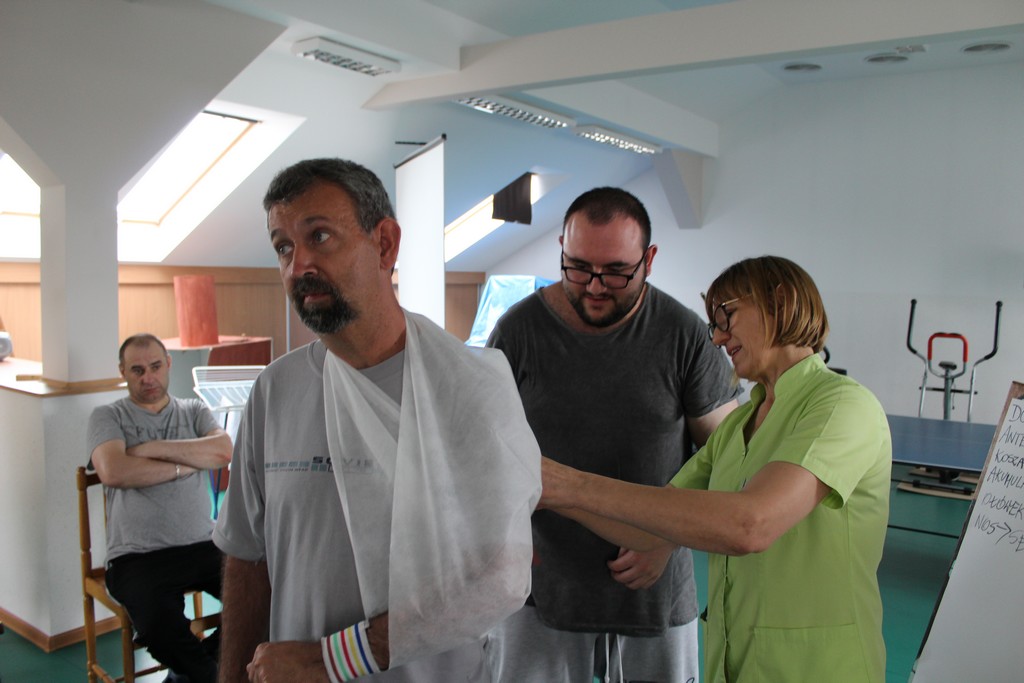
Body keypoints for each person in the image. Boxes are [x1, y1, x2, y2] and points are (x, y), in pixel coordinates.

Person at [212, 158, 541, 683]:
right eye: (283, 247)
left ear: (385, 244)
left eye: (320, 236)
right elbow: (248, 559)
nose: (298, 266)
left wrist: (331, 660)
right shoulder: (275, 391)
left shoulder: (471, 387)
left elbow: (498, 577)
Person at [540, 255, 892, 683]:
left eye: (726, 316)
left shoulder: (843, 406)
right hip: (734, 667)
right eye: (714, 325)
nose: (719, 338)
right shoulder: (738, 426)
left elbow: (750, 525)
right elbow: (647, 530)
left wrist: (569, 484)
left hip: (819, 670)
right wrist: (547, 489)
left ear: (779, 301)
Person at [485, 187, 739, 683]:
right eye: (578, 267)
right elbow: (487, 456)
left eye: (617, 271)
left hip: (655, 594)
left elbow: (727, 460)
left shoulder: (684, 335)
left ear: (650, 259)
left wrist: (666, 537)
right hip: (538, 593)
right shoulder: (518, 332)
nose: (596, 287)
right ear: (561, 248)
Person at [88, 333, 232, 683]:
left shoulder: (193, 410)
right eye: (137, 370)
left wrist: (152, 448)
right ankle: (207, 675)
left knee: (268, 594)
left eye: (155, 366)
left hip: (205, 544)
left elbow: (223, 451)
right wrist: (186, 464)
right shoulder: (108, 416)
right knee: (157, 625)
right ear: (123, 372)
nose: (148, 377)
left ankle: (191, 674)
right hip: (136, 556)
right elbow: (115, 471)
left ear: (168, 364)